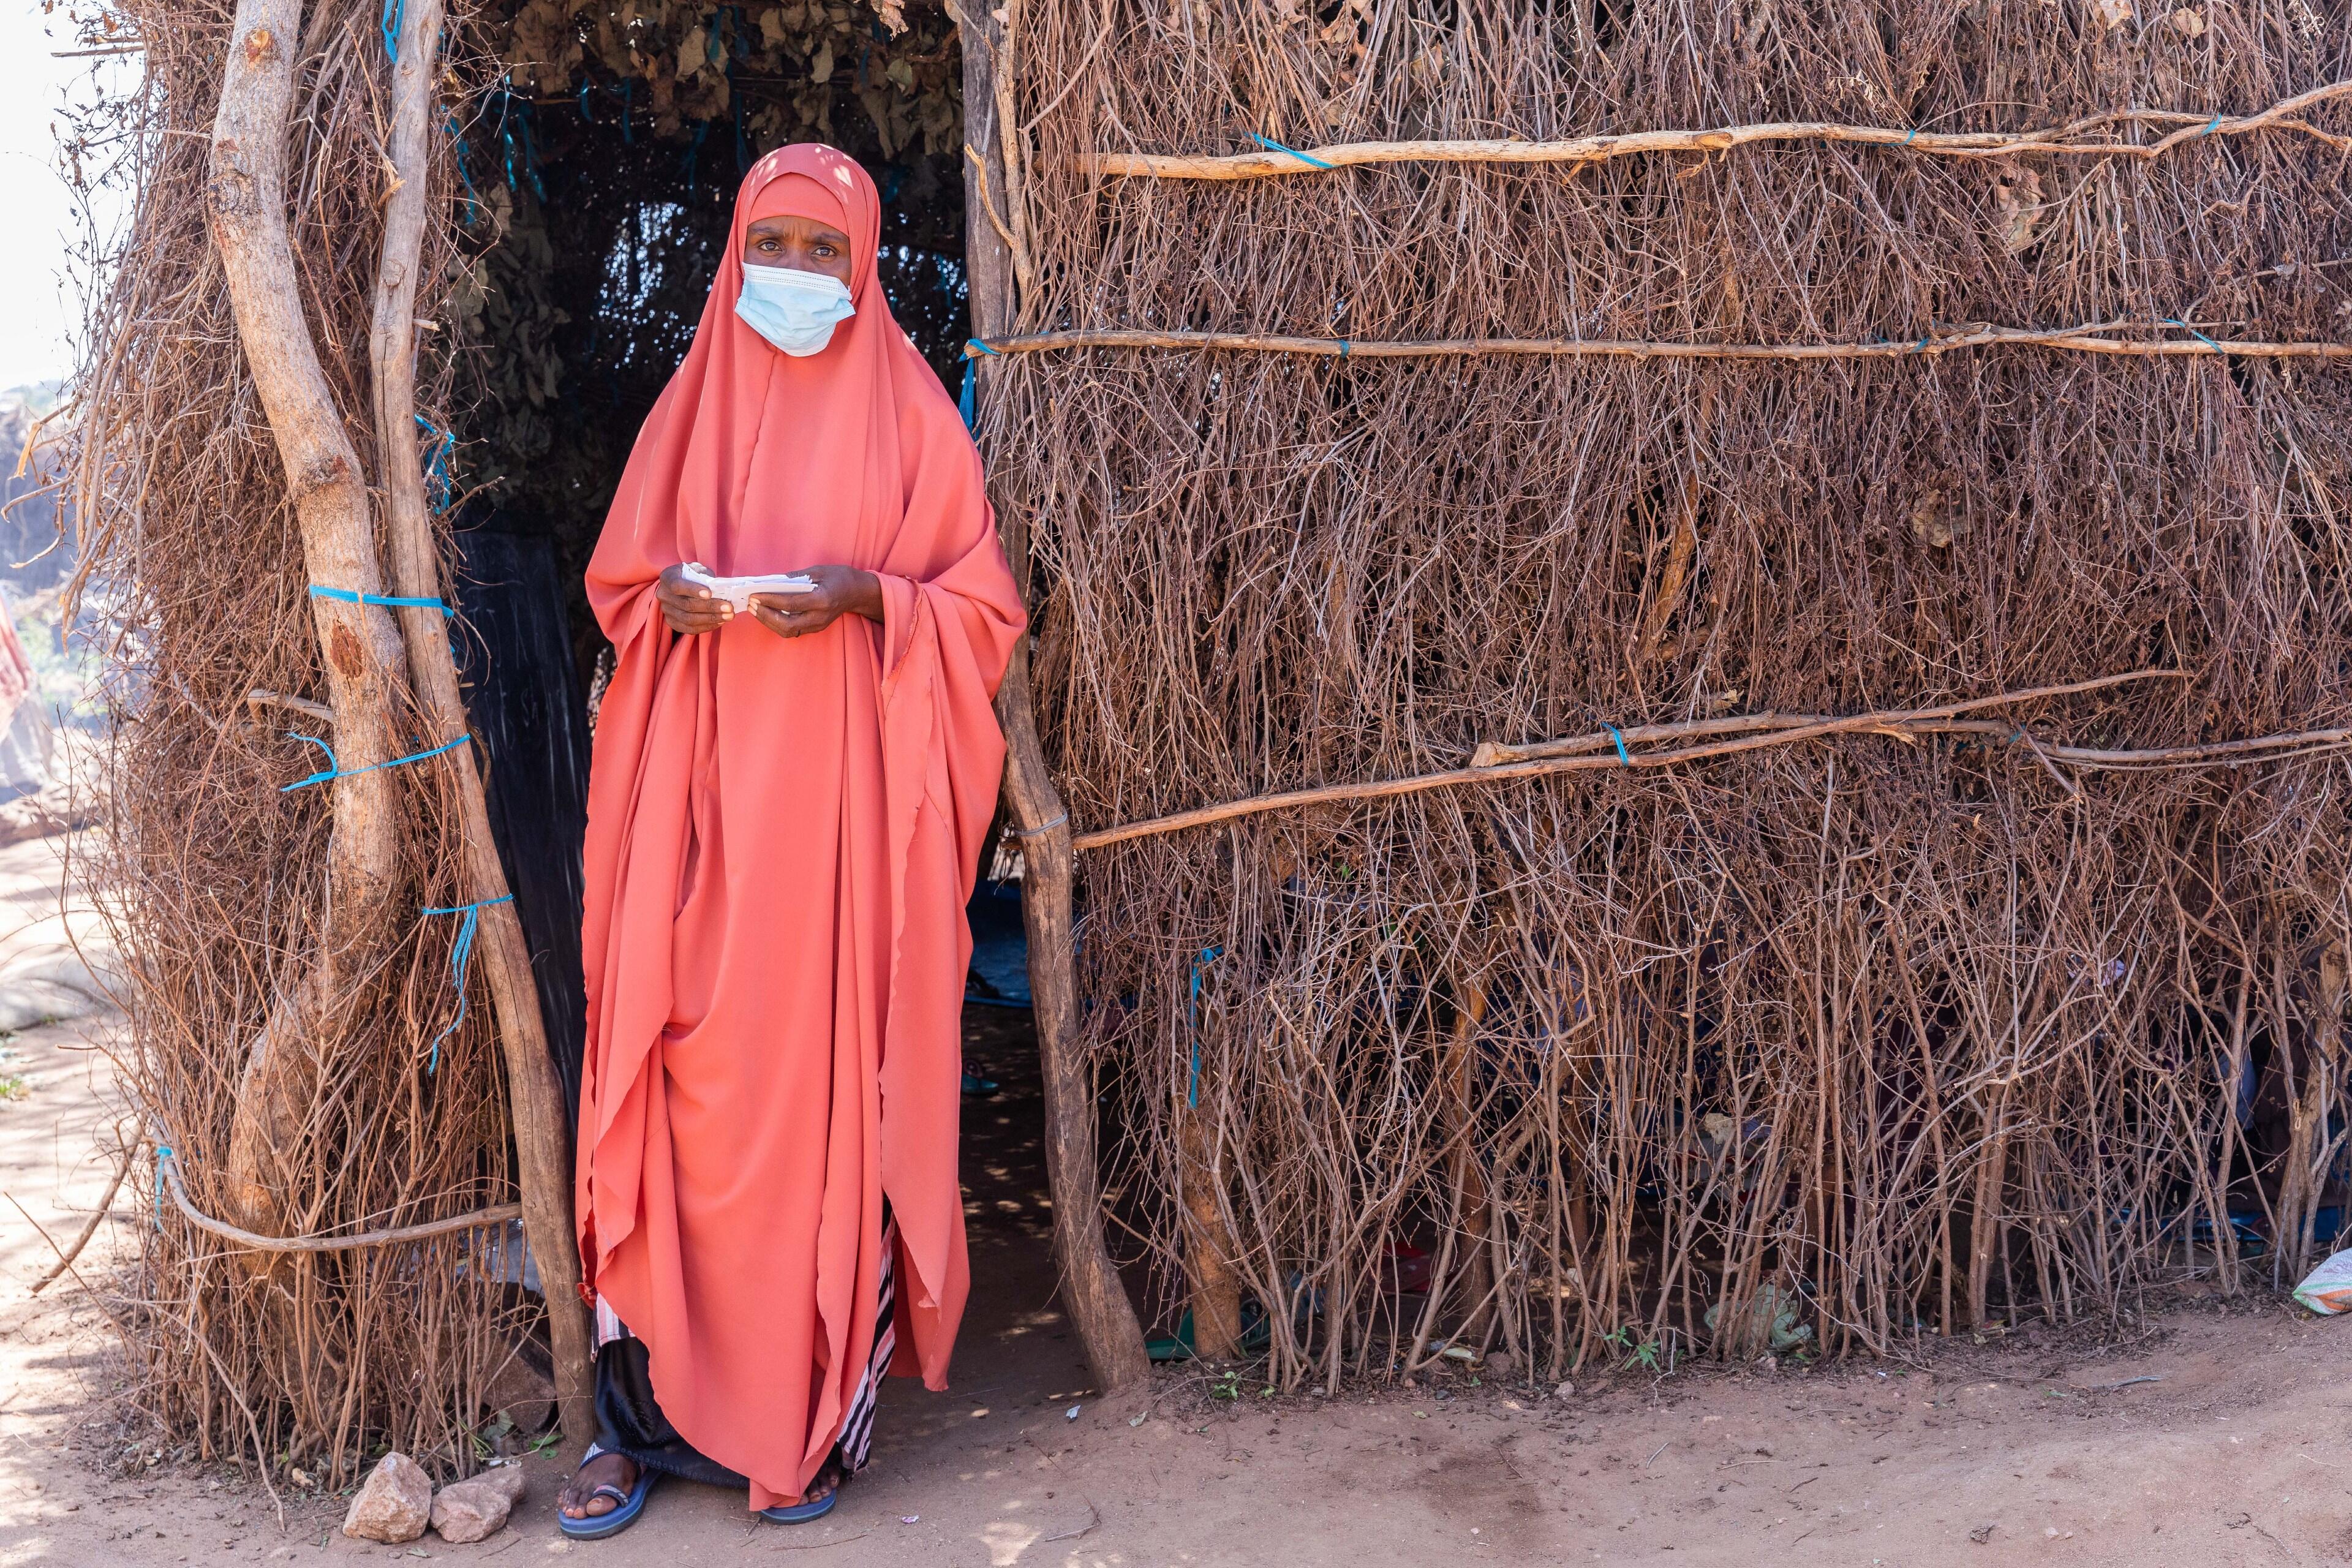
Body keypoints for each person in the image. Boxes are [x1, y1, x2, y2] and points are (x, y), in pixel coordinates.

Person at [557, 143, 1025, 1536]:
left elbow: (984, 613)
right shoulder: (690, 413)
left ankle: (805, 1419)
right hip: (694, 838)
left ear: (865, 263)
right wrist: (675, 605)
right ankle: (633, 1426)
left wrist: (872, 597)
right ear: (734, 251)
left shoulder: (915, 420)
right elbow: (620, 583)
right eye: (776, 245)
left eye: (826, 253)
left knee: (822, 1113)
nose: (798, 277)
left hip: (836, 852)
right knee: (665, 1078)